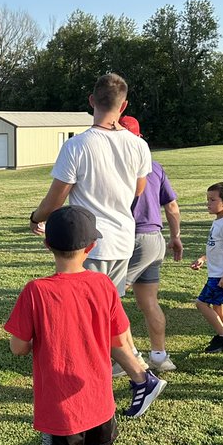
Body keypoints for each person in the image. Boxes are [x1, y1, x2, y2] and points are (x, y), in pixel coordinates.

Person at [4, 205, 163, 445]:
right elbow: (119, 335)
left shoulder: (36, 291)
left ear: (47, 245)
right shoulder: (103, 284)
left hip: (62, 405)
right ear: (91, 247)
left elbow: (17, 347)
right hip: (99, 398)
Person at [29, 72, 152, 312]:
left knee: (83, 314)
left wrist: (36, 217)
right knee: (107, 311)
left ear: (91, 101)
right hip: (123, 241)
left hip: (87, 243)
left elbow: (55, 200)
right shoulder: (139, 145)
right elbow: (139, 189)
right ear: (124, 105)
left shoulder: (77, 145)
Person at [121, 120, 183, 373]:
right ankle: (159, 356)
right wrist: (176, 237)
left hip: (133, 239)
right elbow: (172, 207)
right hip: (155, 240)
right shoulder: (155, 167)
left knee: (108, 300)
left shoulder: (119, 167)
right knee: (149, 302)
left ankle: (126, 357)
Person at [189, 182, 223, 353]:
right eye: (207, 199)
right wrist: (203, 258)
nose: (208, 203)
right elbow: (218, 247)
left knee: (201, 303)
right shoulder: (219, 221)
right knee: (219, 308)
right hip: (217, 273)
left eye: (212, 200)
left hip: (222, 275)